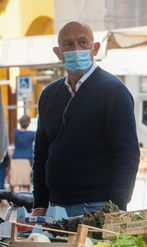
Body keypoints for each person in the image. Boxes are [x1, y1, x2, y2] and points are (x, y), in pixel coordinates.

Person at [32, 21, 140, 217]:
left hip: (97, 207)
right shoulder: (49, 94)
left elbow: (127, 152)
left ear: (95, 48)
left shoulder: (113, 91)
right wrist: (39, 203)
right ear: (58, 53)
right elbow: (41, 153)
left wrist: (116, 207)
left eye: (83, 42)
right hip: (55, 208)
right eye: (68, 44)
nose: (76, 49)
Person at [10, 115, 35, 192]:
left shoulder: (15, 132)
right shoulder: (32, 135)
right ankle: (25, 202)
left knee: (16, 184)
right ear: (28, 123)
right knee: (26, 185)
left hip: (16, 159)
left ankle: (15, 203)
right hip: (26, 160)